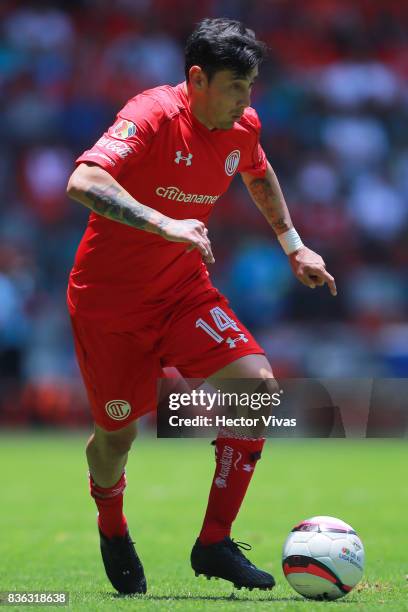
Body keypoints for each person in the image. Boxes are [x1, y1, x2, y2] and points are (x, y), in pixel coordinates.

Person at [66, 17, 336, 595]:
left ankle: (214, 541)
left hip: (182, 293)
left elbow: (259, 173)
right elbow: (84, 181)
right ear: (197, 79)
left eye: (251, 86)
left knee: (256, 389)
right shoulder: (152, 115)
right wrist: (166, 222)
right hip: (108, 306)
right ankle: (113, 528)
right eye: (236, 86)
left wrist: (294, 245)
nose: (246, 100)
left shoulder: (243, 127)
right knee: (116, 439)